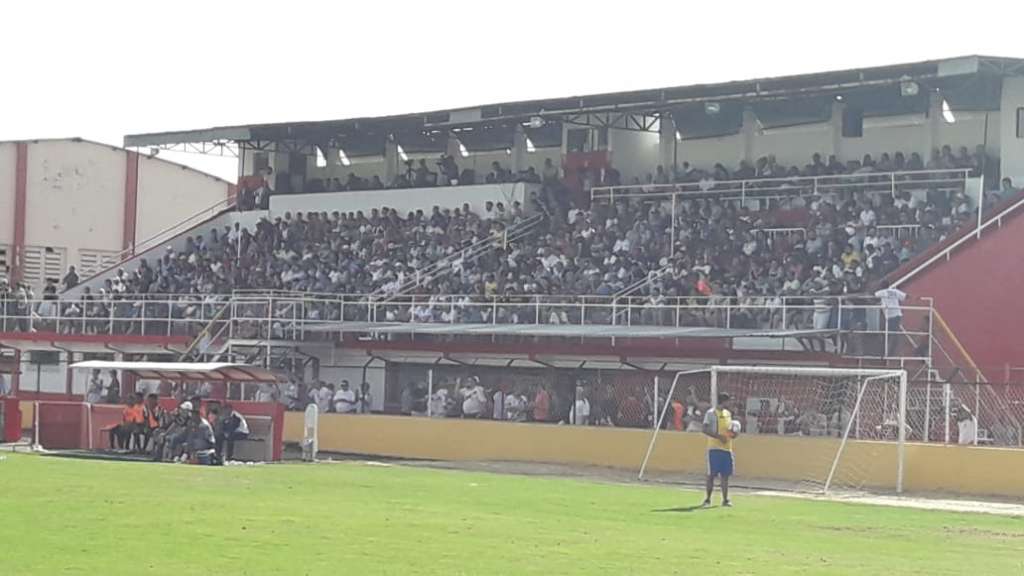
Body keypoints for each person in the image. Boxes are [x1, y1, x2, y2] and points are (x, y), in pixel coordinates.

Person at [702, 392, 738, 507]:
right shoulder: (711, 413)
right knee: (711, 475)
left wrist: (733, 434)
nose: (731, 403)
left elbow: (729, 430)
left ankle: (725, 499)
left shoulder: (728, 414)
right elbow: (705, 429)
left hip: (727, 449)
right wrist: (719, 437)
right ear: (724, 401)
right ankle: (707, 499)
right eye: (729, 401)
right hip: (714, 449)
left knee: (725, 475)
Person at [874, 281, 907, 356]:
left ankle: (888, 353)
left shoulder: (882, 292)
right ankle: (889, 352)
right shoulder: (895, 291)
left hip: (890, 317)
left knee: (890, 335)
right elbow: (905, 296)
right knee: (892, 335)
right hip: (897, 315)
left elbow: (874, 295)